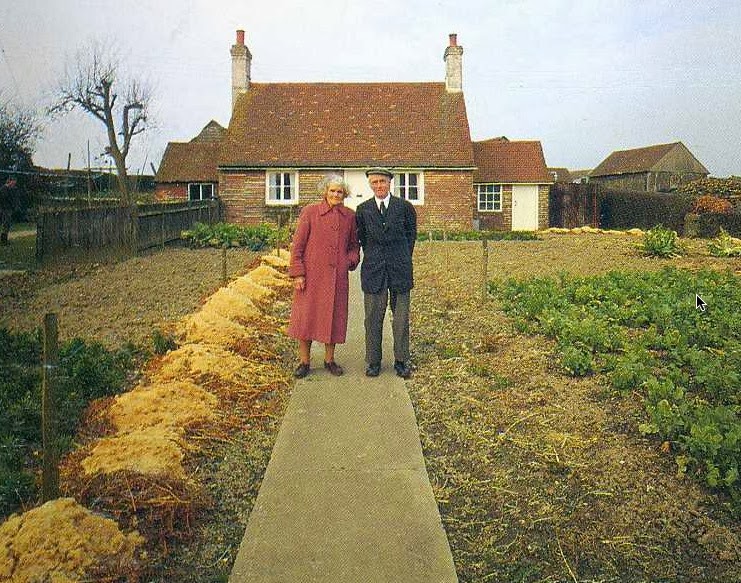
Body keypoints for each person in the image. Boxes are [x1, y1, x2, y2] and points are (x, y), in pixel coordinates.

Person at [287, 175, 360, 378]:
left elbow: (355, 245)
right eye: (332, 191)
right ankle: (304, 362)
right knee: (306, 319)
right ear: (324, 192)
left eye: (340, 191)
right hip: (311, 277)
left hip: (338, 277)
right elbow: (298, 245)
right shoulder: (310, 212)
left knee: (334, 318)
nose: (336, 194)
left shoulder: (350, 216)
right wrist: (298, 273)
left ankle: (329, 360)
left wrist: (350, 260)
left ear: (344, 194)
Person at [356, 167, 417, 378]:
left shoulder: (405, 207)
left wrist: (400, 257)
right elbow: (363, 239)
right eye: (374, 182)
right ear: (370, 185)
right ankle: (373, 361)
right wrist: (376, 257)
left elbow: (411, 236)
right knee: (372, 317)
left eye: (382, 181)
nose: (379, 186)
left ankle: (401, 360)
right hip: (374, 271)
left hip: (400, 269)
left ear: (390, 182)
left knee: (401, 318)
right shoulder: (363, 210)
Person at [0, 178, 18, 246]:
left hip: (7, 209)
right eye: (13, 183)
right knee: (5, 224)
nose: (13, 185)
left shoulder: (8, 189)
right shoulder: (4, 189)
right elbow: (5, 200)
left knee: (7, 224)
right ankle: (3, 241)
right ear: (10, 181)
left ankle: (4, 240)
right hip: (5, 209)